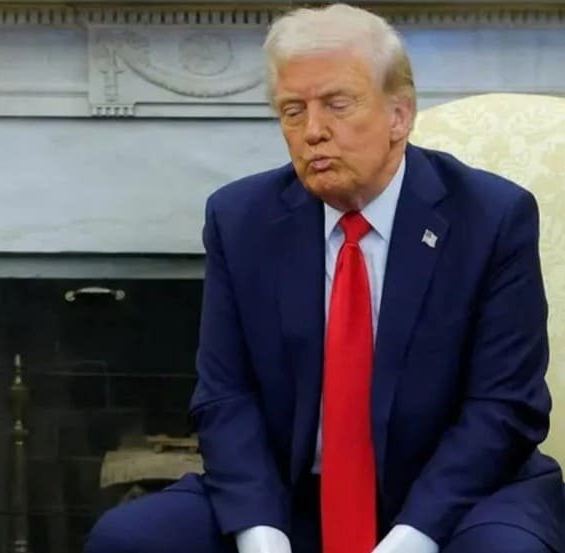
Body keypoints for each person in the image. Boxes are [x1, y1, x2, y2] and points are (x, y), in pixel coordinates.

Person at [85, 4, 565, 553]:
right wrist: (261, 534)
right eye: (293, 111)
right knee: (128, 539)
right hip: (292, 494)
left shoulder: (490, 217)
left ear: (399, 115)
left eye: (337, 104)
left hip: (460, 498)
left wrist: (411, 539)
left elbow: (505, 407)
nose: (313, 132)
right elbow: (224, 396)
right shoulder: (240, 220)